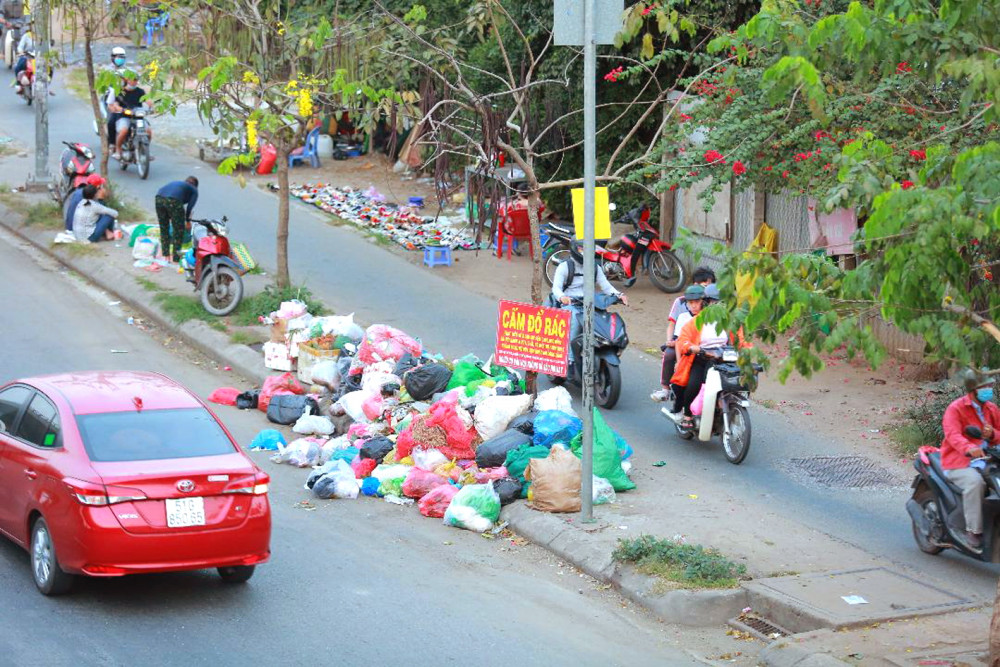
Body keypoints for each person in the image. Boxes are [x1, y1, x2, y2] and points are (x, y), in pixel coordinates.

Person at [939, 369, 999, 551]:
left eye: (990, 385)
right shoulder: (955, 409)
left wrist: (992, 435)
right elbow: (952, 435)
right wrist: (969, 448)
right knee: (975, 483)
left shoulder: (991, 409)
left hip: (988, 460)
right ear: (973, 389)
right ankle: (973, 530)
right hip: (959, 461)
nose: (989, 389)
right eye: (985, 386)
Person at [666, 284, 742, 426]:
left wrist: (747, 350)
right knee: (694, 385)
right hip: (701, 358)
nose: (718, 306)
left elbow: (741, 339)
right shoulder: (696, 321)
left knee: (735, 384)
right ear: (706, 302)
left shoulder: (729, 321)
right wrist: (691, 347)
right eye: (714, 302)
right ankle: (687, 415)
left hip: (723, 359)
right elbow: (682, 340)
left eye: (722, 303)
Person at [550, 244, 628, 373]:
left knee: (604, 319)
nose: (584, 252)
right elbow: (556, 288)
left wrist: (619, 295)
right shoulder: (565, 267)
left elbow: (606, 287)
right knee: (574, 320)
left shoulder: (595, 267)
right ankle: (570, 360)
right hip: (571, 303)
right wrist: (562, 297)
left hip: (591, 302)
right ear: (575, 249)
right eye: (581, 249)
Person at [651, 266, 717, 402]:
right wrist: (670, 340)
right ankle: (665, 389)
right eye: (704, 285)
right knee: (669, 354)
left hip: (704, 342)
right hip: (681, 339)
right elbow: (672, 324)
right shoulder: (680, 302)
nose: (707, 289)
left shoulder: (712, 304)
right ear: (695, 284)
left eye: (710, 286)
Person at [109, 71, 152, 160]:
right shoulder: (121, 91)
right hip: (124, 116)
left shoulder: (140, 91)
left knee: (148, 131)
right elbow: (116, 104)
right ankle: (118, 149)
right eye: (132, 80)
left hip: (138, 116)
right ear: (127, 80)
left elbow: (148, 101)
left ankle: (145, 150)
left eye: (136, 80)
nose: (134, 82)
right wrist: (120, 109)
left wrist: (153, 107)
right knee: (124, 131)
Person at [155, 176, 199, 263]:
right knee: (178, 231)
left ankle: (165, 255)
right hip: (174, 201)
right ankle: (175, 259)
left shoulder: (179, 184)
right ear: (196, 185)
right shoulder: (194, 190)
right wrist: (187, 220)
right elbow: (190, 207)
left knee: (164, 227)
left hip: (159, 198)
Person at [104, 46, 128, 143]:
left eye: (122, 57)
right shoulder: (107, 70)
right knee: (111, 121)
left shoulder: (127, 70)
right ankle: (112, 143)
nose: (120, 59)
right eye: (118, 57)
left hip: (124, 97)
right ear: (112, 58)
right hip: (110, 97)